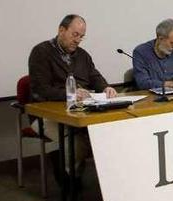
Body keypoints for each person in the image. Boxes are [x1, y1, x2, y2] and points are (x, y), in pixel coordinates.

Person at [28, 14, 116, 179]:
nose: (78, 40)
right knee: (77, 144)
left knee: (106, 136)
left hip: (80, 112)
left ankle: (76, 171)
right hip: (46, 115)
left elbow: (95, 77)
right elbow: (40, 90)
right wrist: (71, 94)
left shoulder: (82, 55)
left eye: (81, 37)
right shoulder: (41, 52)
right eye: (75, 35)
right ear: (61, 30)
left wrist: (106, 88)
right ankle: (67, 179)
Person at [132, 18, 173, 90]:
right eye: (172, 43)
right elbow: (142, 83)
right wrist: (171, 84)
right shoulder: (141, 52)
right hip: (152, 97)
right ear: (160, 39)